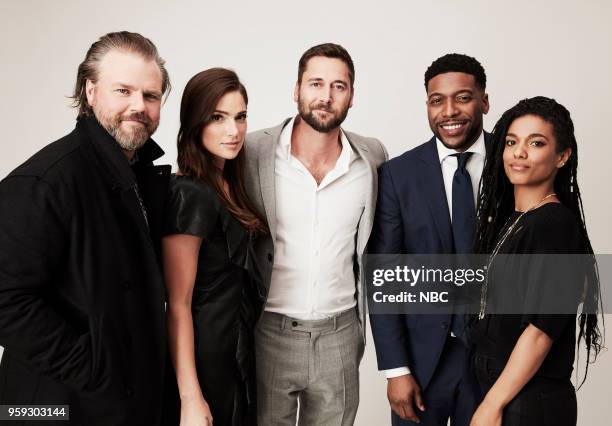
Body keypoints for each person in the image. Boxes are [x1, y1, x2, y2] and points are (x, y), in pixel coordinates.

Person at [0, 31, 171, 425]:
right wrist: (91, 368)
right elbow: (5, 299)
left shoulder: (139, 176)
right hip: (46, 407)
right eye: (123, 91)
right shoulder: (47, 180)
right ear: (90, 91)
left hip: (112, 402)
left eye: (150, 95)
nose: (138, 106)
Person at [245, 43, 387, 425]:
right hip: (268, 331)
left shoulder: (372, 157)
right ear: (296, 89)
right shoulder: (254, 151)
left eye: (338, 86)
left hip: (340, 335)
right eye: (316, 83)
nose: (325, 97)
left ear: (352, 96)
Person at [368, 53, 490, 425]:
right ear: (427, 105)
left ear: (485, 101)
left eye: (463, 97)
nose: (449, 111)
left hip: (494, 361)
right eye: (437, 100)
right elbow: (384, 274)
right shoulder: (397, 175)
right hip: (422, 363)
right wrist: (395, 369)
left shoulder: (512, 161)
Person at [469, 96, 602, 426]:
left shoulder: (553, 225)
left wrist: (492, 405)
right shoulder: (515, 220)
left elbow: (540, 330)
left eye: (536, 143)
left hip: (529, 402)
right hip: (508, 391)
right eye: (512, 142)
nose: (519, 152)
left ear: (562, 156)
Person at [162, 68, 267, 426]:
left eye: (240, 117)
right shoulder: (189, 192)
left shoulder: (231, 183)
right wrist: (190, 397)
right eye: (217, 117)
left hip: (238, 352)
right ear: (195, 122)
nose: (233, 131)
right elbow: (178, 305)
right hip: (205, 362)